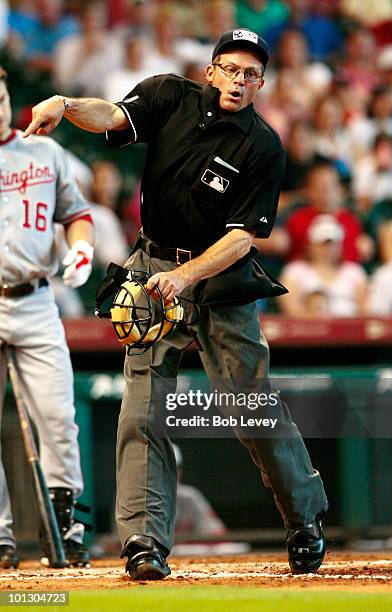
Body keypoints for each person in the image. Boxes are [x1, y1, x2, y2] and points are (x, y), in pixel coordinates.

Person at [24, 27, 328, 581]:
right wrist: (66, 104)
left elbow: (243, 239)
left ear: (262, 83)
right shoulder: (169, 95)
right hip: (152, 269)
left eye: (251, 74)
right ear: (211, 70)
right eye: (231, 69)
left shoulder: (262, 145)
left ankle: (305, 517)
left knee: (250, 409)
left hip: (218, 278)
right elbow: (112, 115)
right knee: (142, 411)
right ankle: (143, 539)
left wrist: (186, 276)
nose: (239, 81)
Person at [0, 66, 93, 569]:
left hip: (35, 299)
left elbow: (76, 215)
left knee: (58, 419)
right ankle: (1, 536)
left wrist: (81, 252)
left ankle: (65, 526)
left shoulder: (44, 151)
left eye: (0, 97)